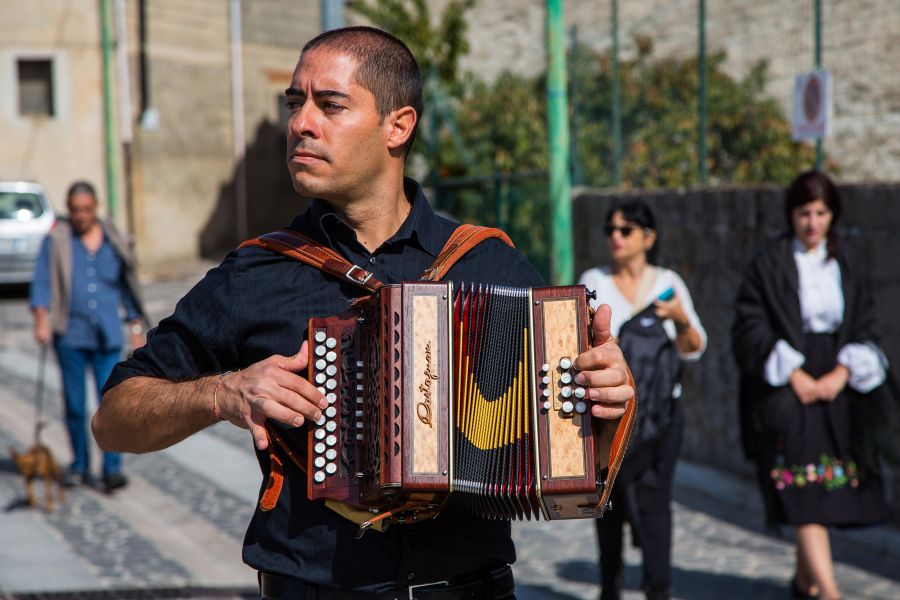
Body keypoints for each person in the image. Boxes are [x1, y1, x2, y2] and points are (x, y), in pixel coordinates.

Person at [91, 26, 635, 600]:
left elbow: (574, 468)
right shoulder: (255, 272)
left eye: (330, 105)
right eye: (294, 103)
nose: (300, 123)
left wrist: (604, 405)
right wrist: (220, 393)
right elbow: (113, 418)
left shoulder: (490, 263)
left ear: (398, 126)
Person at [732, 170, 891, 600]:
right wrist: (794, 375)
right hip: (787, 388)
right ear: (792, 215)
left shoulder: (848, 264)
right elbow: (749, 326)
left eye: (821, 212)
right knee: (803, 493)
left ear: (832, 214)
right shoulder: (769, 264)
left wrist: (841, 375)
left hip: (838, 385)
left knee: (822, 489)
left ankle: (806, 583)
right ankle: (830, 591)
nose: (813, 222)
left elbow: (867, 323)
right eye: (805, 212)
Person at [578, 200, 706, 600]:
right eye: (611, 230)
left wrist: (680, 318)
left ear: (648, 238)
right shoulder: (593, 280)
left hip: (662, 417)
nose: (616, 237)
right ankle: (610, 586)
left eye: (626, 230)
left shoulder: (668, 283)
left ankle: (658, 587)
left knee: (656, 502)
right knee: (608, 502)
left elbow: (694, 348)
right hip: (610, 414)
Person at [30, 180, 147, 493]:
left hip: (108, 336)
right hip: (69, 336)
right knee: (76, 406)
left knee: (111, 404)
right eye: (75, 210)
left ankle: (111, 469)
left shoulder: (112, 239)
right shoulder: (57, 240)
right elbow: (41, 282)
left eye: (86, 209)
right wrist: (41, 320)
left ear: (95, 208)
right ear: (69, 210)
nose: (81, 216)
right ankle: (80, 464)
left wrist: (136, 326)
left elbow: (127, 287)